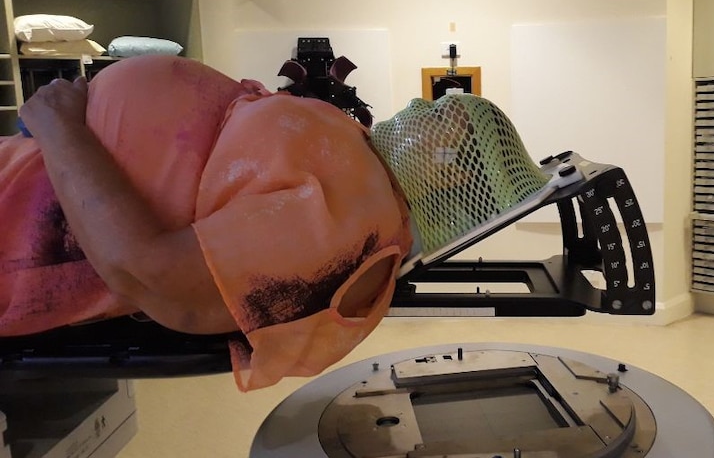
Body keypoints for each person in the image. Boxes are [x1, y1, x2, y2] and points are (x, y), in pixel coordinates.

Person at [0, 55, 412, 391]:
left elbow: (149, 273)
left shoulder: (358, 225)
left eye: (455, 117)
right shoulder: (364, 156)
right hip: (25, 165)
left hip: (21, 224)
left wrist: (60, 127)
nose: (426, 105)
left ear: (460, 175)